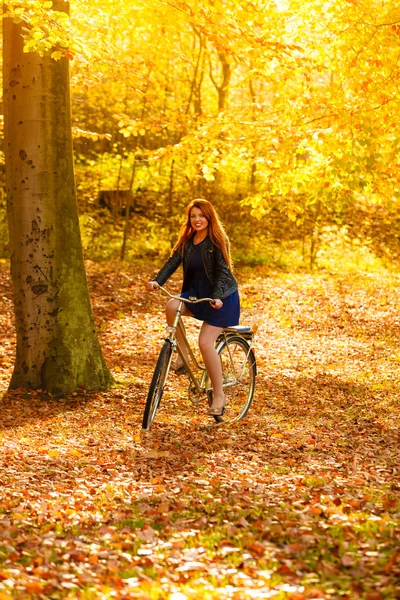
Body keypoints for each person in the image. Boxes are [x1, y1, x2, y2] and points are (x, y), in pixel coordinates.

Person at [147, 198, 240, 416]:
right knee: (172, 306)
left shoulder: (218, 240)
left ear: (209, 217)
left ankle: (219, 395)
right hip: (196, 295)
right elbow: (172, 262)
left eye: (201, 215)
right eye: (193, 216)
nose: (197, 220)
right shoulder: (188, 241)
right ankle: (183, 356)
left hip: (221, 299)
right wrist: (158, 281)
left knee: (205, 343)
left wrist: (217, 297)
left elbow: (222, 273)